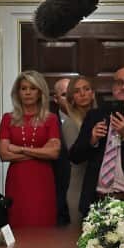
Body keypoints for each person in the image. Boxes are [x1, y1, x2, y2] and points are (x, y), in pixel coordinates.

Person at [69, 66, 124, 223]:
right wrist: (92, 139)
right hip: (97, 200)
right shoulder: (95, 115)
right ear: (113, 87)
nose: (123, 87)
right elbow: (75, 156)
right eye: (119, 82)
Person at [0, 71, 61, 229]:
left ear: (40, 92)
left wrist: (19, 149)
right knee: (18, 225)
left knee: (43, 225)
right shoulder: (8, 118)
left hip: (42, 180)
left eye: (32, 88)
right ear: (18, 93)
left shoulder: (50, 119)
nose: (27, 92)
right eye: (23, 88)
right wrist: (40, 152)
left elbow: (54, 153)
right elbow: (4, 154)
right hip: (18, 181)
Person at [60, 76, 95, 225]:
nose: (83, 94)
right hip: (78, 186)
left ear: (93, 93)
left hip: (98, 187)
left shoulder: (101, 117)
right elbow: (76, 156)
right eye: (77, 91)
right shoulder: (69, 123)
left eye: (86, 89)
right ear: (71, 97)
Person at [51, 77, 73, 226]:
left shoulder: (91, 121)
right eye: (65, 95)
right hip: (56, 191)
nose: (71, 99)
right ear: (56, 98)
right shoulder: (48, 121)